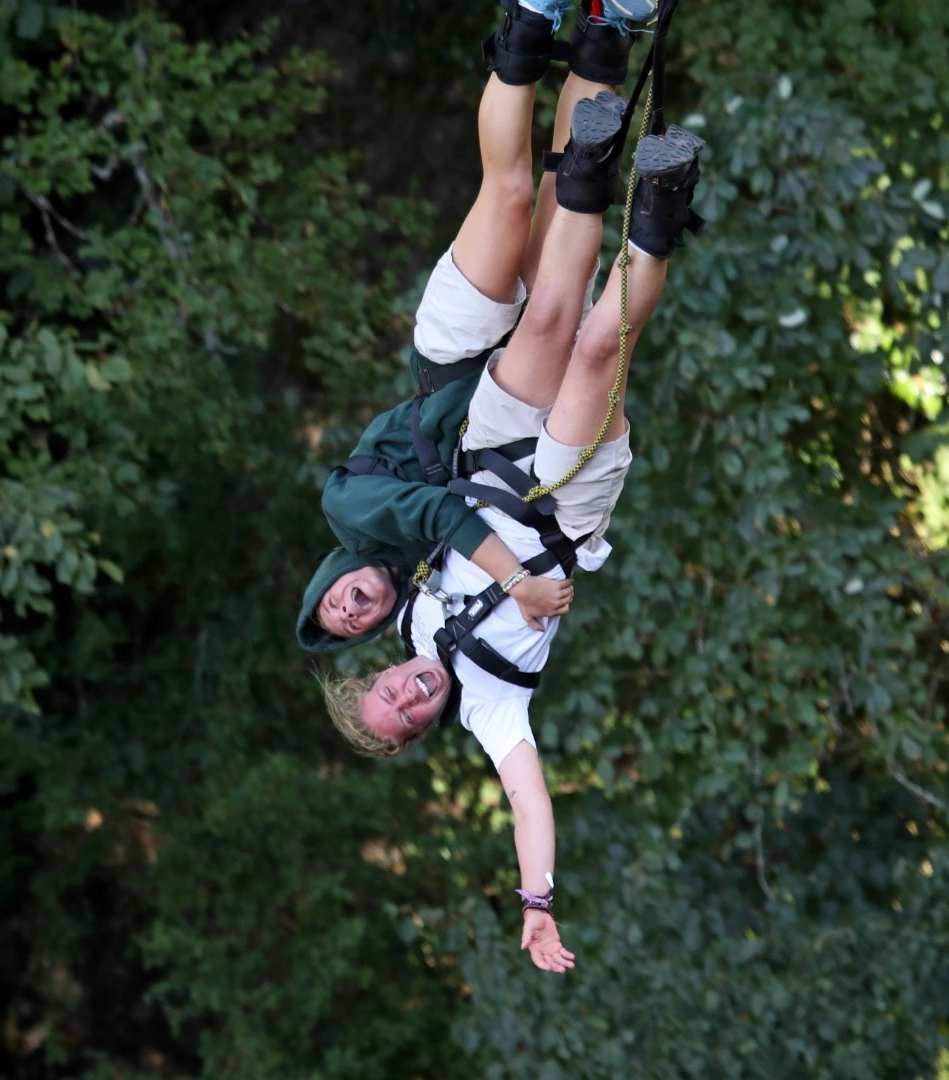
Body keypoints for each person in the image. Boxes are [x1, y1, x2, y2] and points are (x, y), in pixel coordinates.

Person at [319, 1, 706, 974]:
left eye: (389, 695)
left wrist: (366, 590)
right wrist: (537, 902)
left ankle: (587, 165)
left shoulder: (403, 615)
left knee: (541, 327)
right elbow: (530, 802)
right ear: (422, 731)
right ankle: (655, 220)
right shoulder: (495, 710)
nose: (411, 694)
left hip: (490, 458)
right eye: (409, 714)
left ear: (380, 672)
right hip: (565, 510)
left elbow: (404, 519)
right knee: (592, 354)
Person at [294, 0, 666, 658]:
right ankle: (609, 23)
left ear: (328, 578)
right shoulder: (436, 578)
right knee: (569, 184)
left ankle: (530, 17)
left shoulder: (347, 514)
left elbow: (440, 509)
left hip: (453, 354)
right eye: (354, 623)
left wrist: (515, 581)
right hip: (516, 384)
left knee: (511, 193)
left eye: (333, 602)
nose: (349, 608)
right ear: (379, 622)